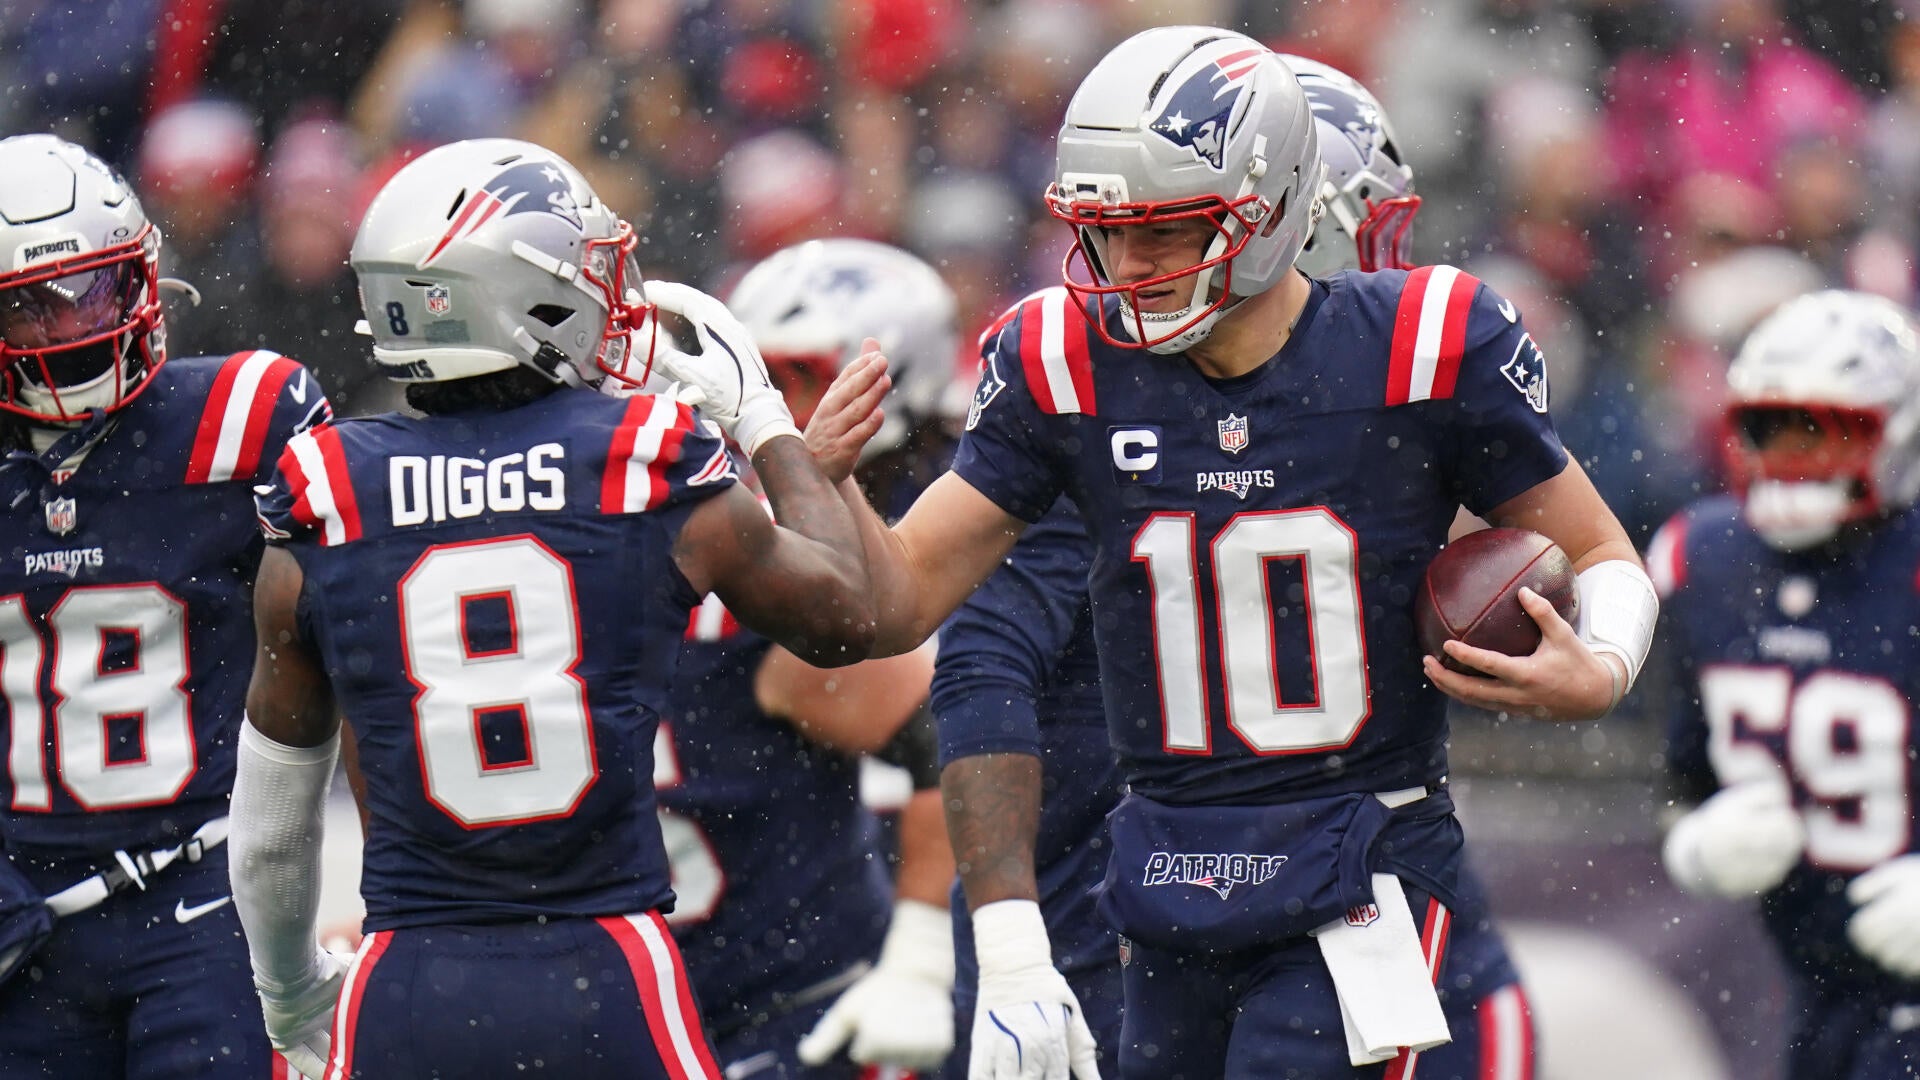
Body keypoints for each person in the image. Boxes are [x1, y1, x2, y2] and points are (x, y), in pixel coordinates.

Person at [738, 27, 1660, 1079]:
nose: (1129, 269)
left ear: (1272, 207)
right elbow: (898, 608)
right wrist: (822, 479)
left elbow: (1601, 549)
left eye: (1167, 233)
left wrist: (1604, 665)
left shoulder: (1424, 341)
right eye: (1107, 235)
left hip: (1358, 862)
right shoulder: (1063, 360)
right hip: (1165, 871)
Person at [932, 51, 1539, 1080]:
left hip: (1297, 880)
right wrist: (1008, 939)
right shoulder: (1101, 388)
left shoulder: (1376, 385)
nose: (1378, 267)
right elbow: (975, 655)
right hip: (1107, 910)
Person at [232, 137, 878, 1080]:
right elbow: (849, 612)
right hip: (605, 963)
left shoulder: (328, 492)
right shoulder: (638, 459)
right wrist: (764, 423)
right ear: (515, 292)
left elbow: (273, 829)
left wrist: (290, 995)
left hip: (409, 979)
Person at [0, 134, 331, 1078]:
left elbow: (355, 634)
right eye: (32, 307)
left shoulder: (241, 419)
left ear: (143, 275)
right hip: (27, 913)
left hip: (202, 893)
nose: (73, 329)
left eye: (93, 291)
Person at [657, 238, 962, 1078]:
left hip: (810, 995)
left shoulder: (973, 510)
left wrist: (922, 954)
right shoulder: (714, 542)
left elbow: (958, 743)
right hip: (700, 1003)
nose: (761, 406)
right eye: (753, 377)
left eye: (793, 377)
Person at [1652, 290, 1920, 1080]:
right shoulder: (1707, 561)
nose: (1794, 456)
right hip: (1813, 989)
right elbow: (1687, 774)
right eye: (1772, 429)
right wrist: (1694, 842)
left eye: (1824, 430)